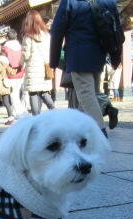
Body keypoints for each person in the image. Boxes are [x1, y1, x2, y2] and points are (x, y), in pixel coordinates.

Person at [50, 0, 121, 137]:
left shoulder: (70, 2)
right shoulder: (108, 2)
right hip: (99, 54)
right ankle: (75, 131)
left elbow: (57, 29)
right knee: (91, 94)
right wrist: (115, 56)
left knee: (86, 95)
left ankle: (100, 134)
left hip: (78, 55)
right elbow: (116, 29)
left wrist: (53, 60)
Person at [21, 10, 55, 115]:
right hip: (45, 67)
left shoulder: (28, 37)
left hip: (33, 68)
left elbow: (25, 55)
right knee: (44, 92)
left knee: (33, 93)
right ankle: (54, 111)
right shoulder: (47, 35)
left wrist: (20, 62)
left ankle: (36, 118)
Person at [2, 28, 26, 118]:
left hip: (10, 73)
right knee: (18, 92)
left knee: (13, 94)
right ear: (16, 37)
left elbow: (4, 61)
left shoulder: (5, 48)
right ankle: (16, 111)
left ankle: (19, 112)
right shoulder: (20, 47)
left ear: (7, 37)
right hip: (20, 72)